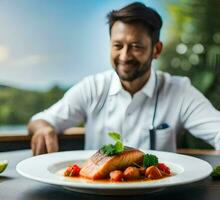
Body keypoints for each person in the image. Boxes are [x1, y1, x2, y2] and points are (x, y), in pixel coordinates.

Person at [28, 2, 220, 155]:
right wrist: (44, 129)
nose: (125, 56)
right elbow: (40, 120)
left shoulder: (179, 91)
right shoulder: (92, 87)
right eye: (117, 45)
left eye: (136, 46)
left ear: (157, 50)